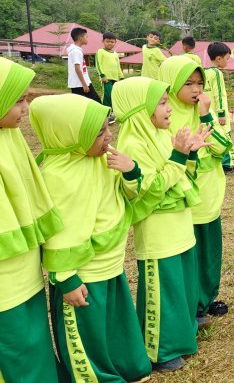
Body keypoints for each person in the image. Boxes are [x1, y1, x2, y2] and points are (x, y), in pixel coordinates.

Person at [31, 94, 152, 383]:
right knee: (88, 333)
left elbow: (129, 197)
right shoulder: (58, 176)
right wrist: (67, 278)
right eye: (99, 132)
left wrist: (131, 170)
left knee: (113, 323)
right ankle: (96, 377)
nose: (109, 135)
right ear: (71, 134)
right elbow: (57, 234)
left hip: (111, 264)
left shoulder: (102, 161)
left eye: (108, 126)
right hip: (82, 275)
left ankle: (126, 365)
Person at [112, 76, 212, 372]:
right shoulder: (132, 143)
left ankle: (181, 337)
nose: (169, 108)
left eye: (168, 101)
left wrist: (189, 154)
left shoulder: (159, 134)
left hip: (179, 225)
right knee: (162, 289)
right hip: (158, 232)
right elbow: (150, 190)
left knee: (181, 285)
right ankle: (160, 349)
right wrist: (179, 156)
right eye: (162, 102)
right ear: (140, 108)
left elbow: (180, 177)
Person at [0, 57, 64, 383]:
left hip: (24, 265)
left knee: (35, 335)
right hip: (4, 277)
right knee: (15, 345)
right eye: (19, 100)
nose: (26, 108)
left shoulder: (10, 136)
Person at [159, 56, 233, 326]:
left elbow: (223, 147)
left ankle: (206, 298)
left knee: (210, 253)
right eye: (188, 83)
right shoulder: (164, 118)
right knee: (190, 255)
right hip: (187, 201)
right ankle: (191, 305)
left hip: (210, 196)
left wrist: (205, 115)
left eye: (200, 83)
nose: (196, 89)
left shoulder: (202, 113)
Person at [205, 42, 234, 172]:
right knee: (226, 136)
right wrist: (221, 113)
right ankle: (229, 164)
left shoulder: (204, 72)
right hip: (219, 113)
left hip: (209, 112)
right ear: (219, 59)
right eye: (227, 59)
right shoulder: (217, 73)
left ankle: (218, 161)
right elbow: (218, 93)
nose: (228, 62)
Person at [95, 31, 124, 120]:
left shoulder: (115, 54)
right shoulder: (100, 51)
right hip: (106, 79)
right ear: (103, 41)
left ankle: (112, 113)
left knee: (114, 95)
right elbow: (98, 64)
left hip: (115, 79)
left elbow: (118, 66)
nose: (110, 43)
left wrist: (121, 77)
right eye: (107, 41)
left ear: (115, 42)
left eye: (112, 42)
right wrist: (102, 75)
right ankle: (105, 114)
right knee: (107, 95)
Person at [68, 27, 101, 103]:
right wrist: (84, 84)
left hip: (81, 83)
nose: (87, 39)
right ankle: (105, 114)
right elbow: (77, 68)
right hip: (79, 84)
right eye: (86, 37)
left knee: (82, 104)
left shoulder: (76, 50)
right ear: (80, 38)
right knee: (96, 101)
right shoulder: (76, 51)